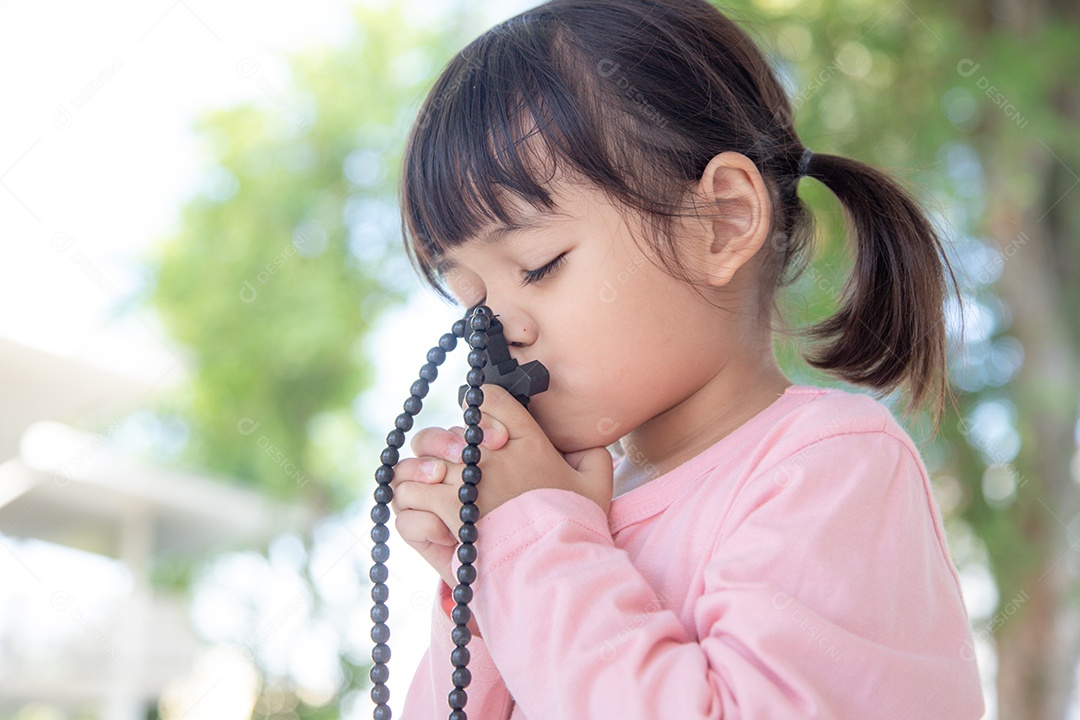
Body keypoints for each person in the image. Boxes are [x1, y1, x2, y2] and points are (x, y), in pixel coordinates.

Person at [387, 0, 985, 717]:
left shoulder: (829, 468)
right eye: (469, 299)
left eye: (539, 266)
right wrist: (485, 577)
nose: (495, 332)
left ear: (721, 222)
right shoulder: (560, 518)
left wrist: (534, 548)